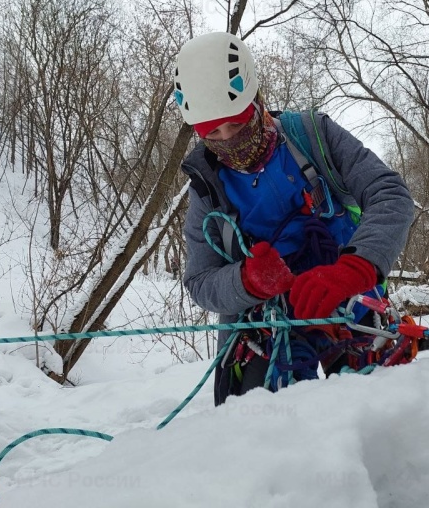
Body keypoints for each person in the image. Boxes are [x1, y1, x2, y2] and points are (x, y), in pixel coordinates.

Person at [175, 32, 415, 405]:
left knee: (382, 405)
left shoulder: (313, 136)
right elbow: (201, 281)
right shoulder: (207, 188)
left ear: (257, 101)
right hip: (265, 320)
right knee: (256, 424)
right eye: (213, 134)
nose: (228, 141)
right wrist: (247, 281)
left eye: (237, 124)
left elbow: (389, 193)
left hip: (347, 293)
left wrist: (357, 267)